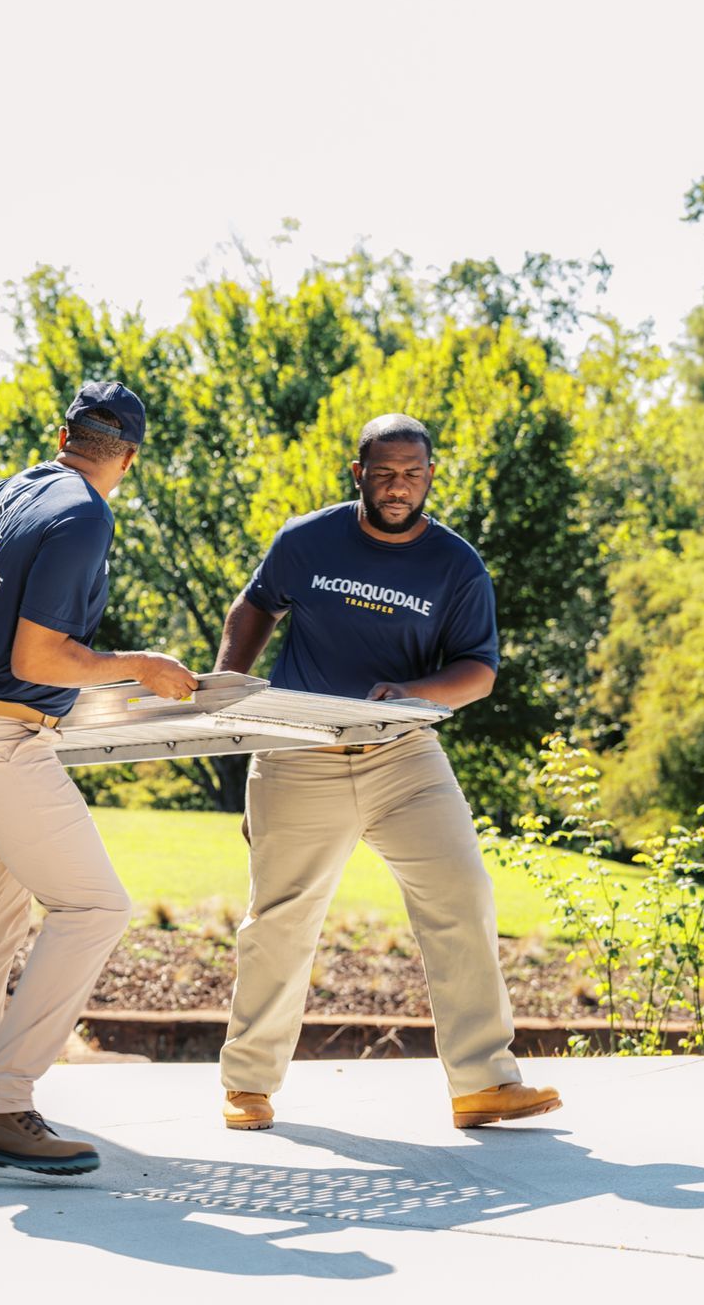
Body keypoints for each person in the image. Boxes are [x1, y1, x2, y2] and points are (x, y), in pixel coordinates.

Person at [212, 413, 561, 1131]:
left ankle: (483, 1083)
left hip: (403, 753)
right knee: (280, 919)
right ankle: (247, 1086)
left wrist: (413, 694)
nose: (398, 487)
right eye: (384, 473)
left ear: (430, 476)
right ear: (359, 474)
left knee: (462, 893)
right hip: (298, 751)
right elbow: (254, 606)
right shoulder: (307, 539)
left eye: (412, 473)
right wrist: (225, 692)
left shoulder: (456, 565)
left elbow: (479, 671)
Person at [0, 381, 199, 1174]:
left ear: (63, 435)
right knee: (96, 907)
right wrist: (139, 665)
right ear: (129, 459)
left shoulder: (18, 488)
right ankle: (2, 1102)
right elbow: (39, 658)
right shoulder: (85, 516)